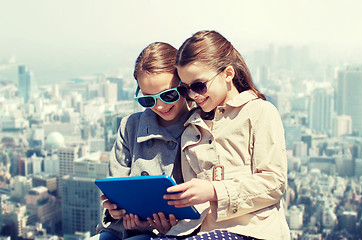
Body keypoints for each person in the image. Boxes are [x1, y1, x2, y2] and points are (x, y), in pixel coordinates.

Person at [152, 30, 290, 240]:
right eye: (186, 88)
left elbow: (274, 183)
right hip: (199, 232)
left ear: (228, 74)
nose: (193, 95)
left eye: (199, 85)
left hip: (250, 230)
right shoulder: (191, 125)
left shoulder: (260, 112)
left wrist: (214, 190)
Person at [92, 42, 193, 240]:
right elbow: (115, 184)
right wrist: (114, 210)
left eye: (169, 94)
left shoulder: (199, 128)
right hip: (120, 229)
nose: (161, 106)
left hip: (171, 233)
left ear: (184, 85)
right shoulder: (130, 126)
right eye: (149, 99)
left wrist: (167, 226)